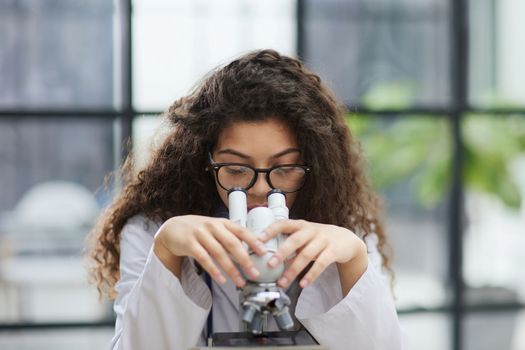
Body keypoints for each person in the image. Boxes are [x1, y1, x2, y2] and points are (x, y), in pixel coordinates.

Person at [87, 49, 403, 350]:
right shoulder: (148, 231)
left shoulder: (347, 235)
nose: (260, 189)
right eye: (237, 169)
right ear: (204, 162)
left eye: (284, 168)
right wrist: (167, 255)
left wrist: (354, 263)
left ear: (314, 165)